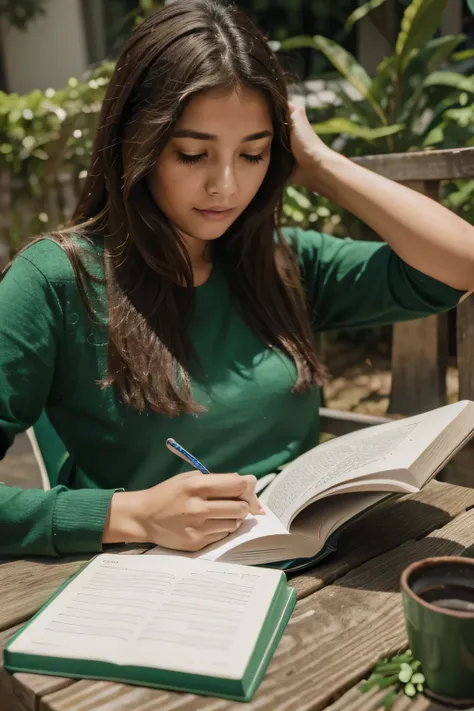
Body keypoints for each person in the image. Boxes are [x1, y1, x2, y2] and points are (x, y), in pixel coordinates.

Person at [1, 0, 473, 559]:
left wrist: (322, 164)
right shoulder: (57, 282)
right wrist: (131, 514)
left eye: (252, 154)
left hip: (315, 570)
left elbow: (461, 264)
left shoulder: (279, 263)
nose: (224, 186)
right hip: (149, 585)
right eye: (193, 154)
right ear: (136, 142)